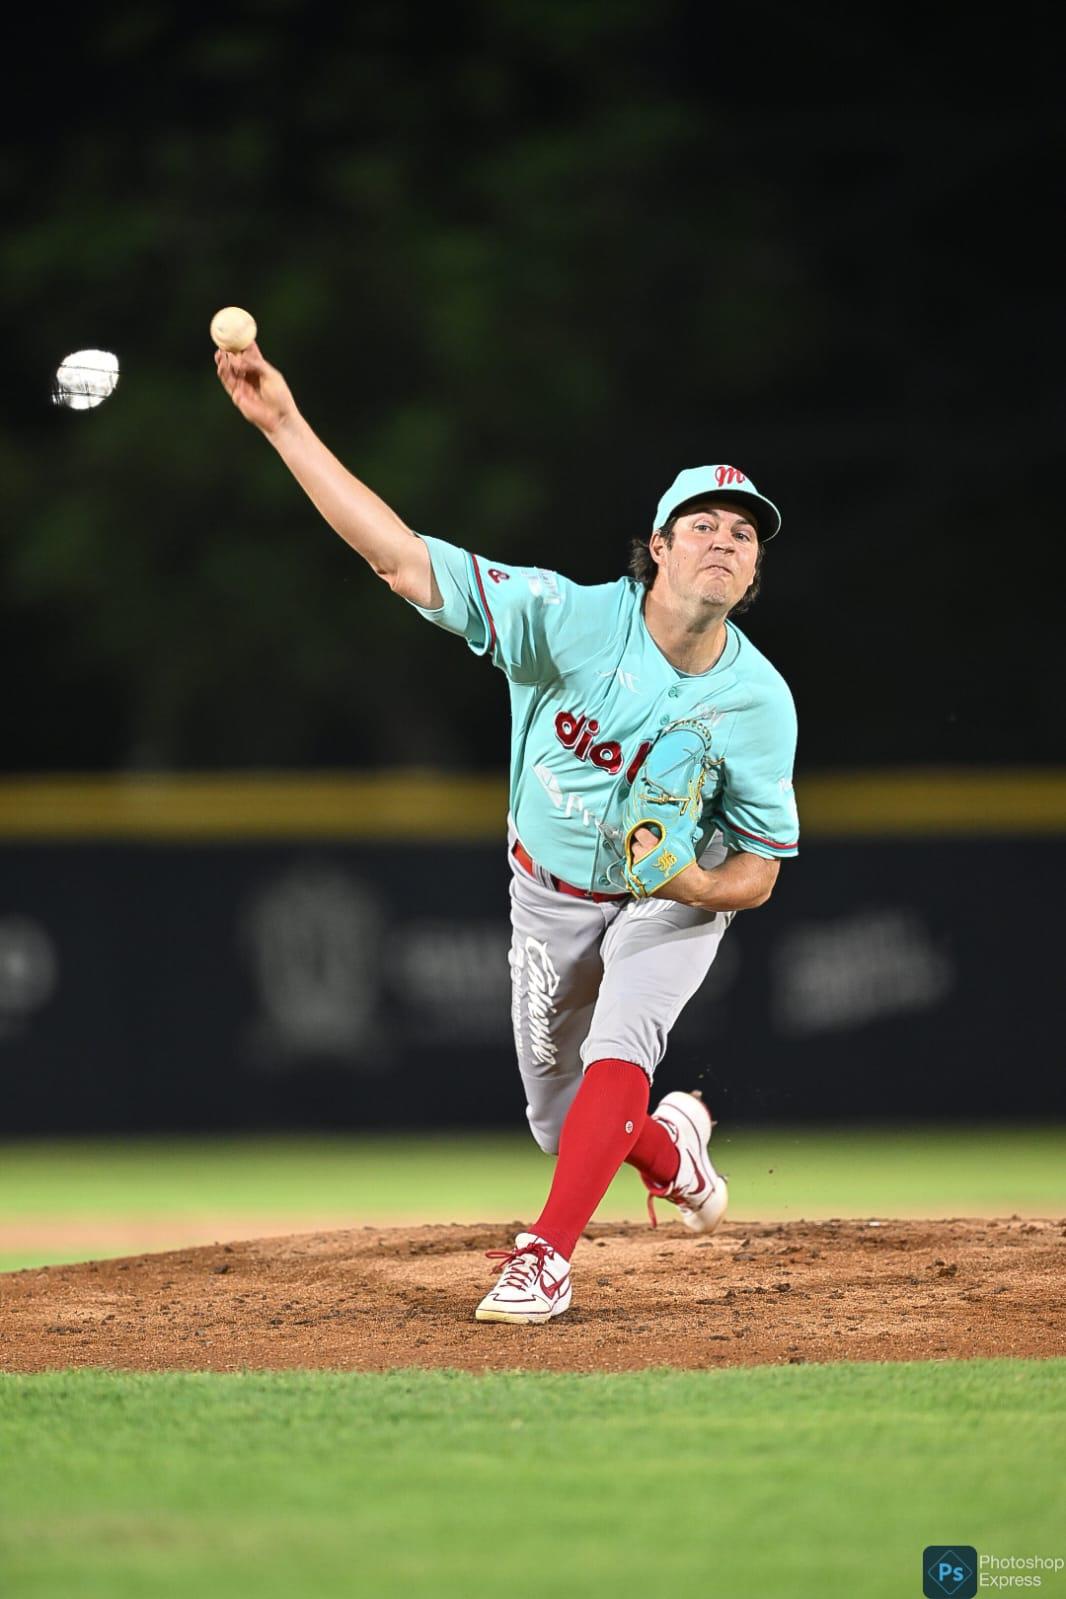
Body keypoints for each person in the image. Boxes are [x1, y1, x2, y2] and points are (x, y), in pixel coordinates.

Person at [216, 340, 799, 1325]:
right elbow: (397, 556)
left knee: (624, 1041)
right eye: (700, 524)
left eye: (743, 536)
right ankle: (673, 1154)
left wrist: (698, 890)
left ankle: (544, 1259)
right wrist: (281, 423)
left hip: (667, 902)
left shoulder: (758, 701)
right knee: (563, 1121)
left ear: (751, 574)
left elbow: (760, 867)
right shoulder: (563, 621)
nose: (723, 543)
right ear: (655, 548)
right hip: (550, 894)